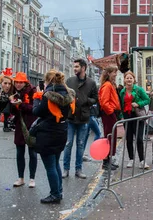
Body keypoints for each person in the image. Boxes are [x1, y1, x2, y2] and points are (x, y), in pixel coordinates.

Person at [32, 70, 75, 204]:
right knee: (56, 163)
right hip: (61, 131)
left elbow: (37, 112)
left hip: (48, 133)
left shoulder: (47, 95)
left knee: (50, 166)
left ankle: (55, 194)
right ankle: (59, 191)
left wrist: (36, 99)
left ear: (48, 81)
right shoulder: (69, 94)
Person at [63, 58, 98, 179]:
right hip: (71, 117)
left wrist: (86, 100)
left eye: (77, 67)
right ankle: (66, 169)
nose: (74, 69)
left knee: (81, 144)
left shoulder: (91, 83)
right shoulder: (69, 81)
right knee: (68, 144)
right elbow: (64, 95)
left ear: (83, 68)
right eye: (74, 67)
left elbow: (95, 98)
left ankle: (78, 169)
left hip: (83, 117)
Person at [11, 72, 38, 188]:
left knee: (32, 152)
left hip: (31, 125)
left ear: (25, 83)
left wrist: (21, 105)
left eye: (20, 82)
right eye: (16, 82)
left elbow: (34, 109)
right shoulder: (14, 93)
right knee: (19, 153)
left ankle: (32, 178)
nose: (18, 84)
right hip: (19, 125)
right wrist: (12, 104)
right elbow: (12, 111)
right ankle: (20, 177)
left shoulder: (33, 92)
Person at [119, 71, 150, 169]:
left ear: (134, 80)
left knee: (139, 139)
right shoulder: (122, 92)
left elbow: (147, 100)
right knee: (128, 138)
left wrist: (138, 104)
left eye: (130, 78)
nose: (129, 80)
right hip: (127, 116)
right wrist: (121, 116)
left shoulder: (139, 89)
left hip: (137, 116)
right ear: (124, 80)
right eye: (127, 78)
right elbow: (120, 105)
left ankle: (142, 161)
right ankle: (131, 159)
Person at [98, 65, 120, 171]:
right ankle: (106, 161)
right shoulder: (107, 85)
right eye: (114, 72)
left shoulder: (109, 84)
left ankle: (108, 160)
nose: (116, 74)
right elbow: (104, 102)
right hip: (108, 114)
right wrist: (111, 112)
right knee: (109, 136)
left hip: (109, 113)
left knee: (110, 136)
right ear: (109, 74)